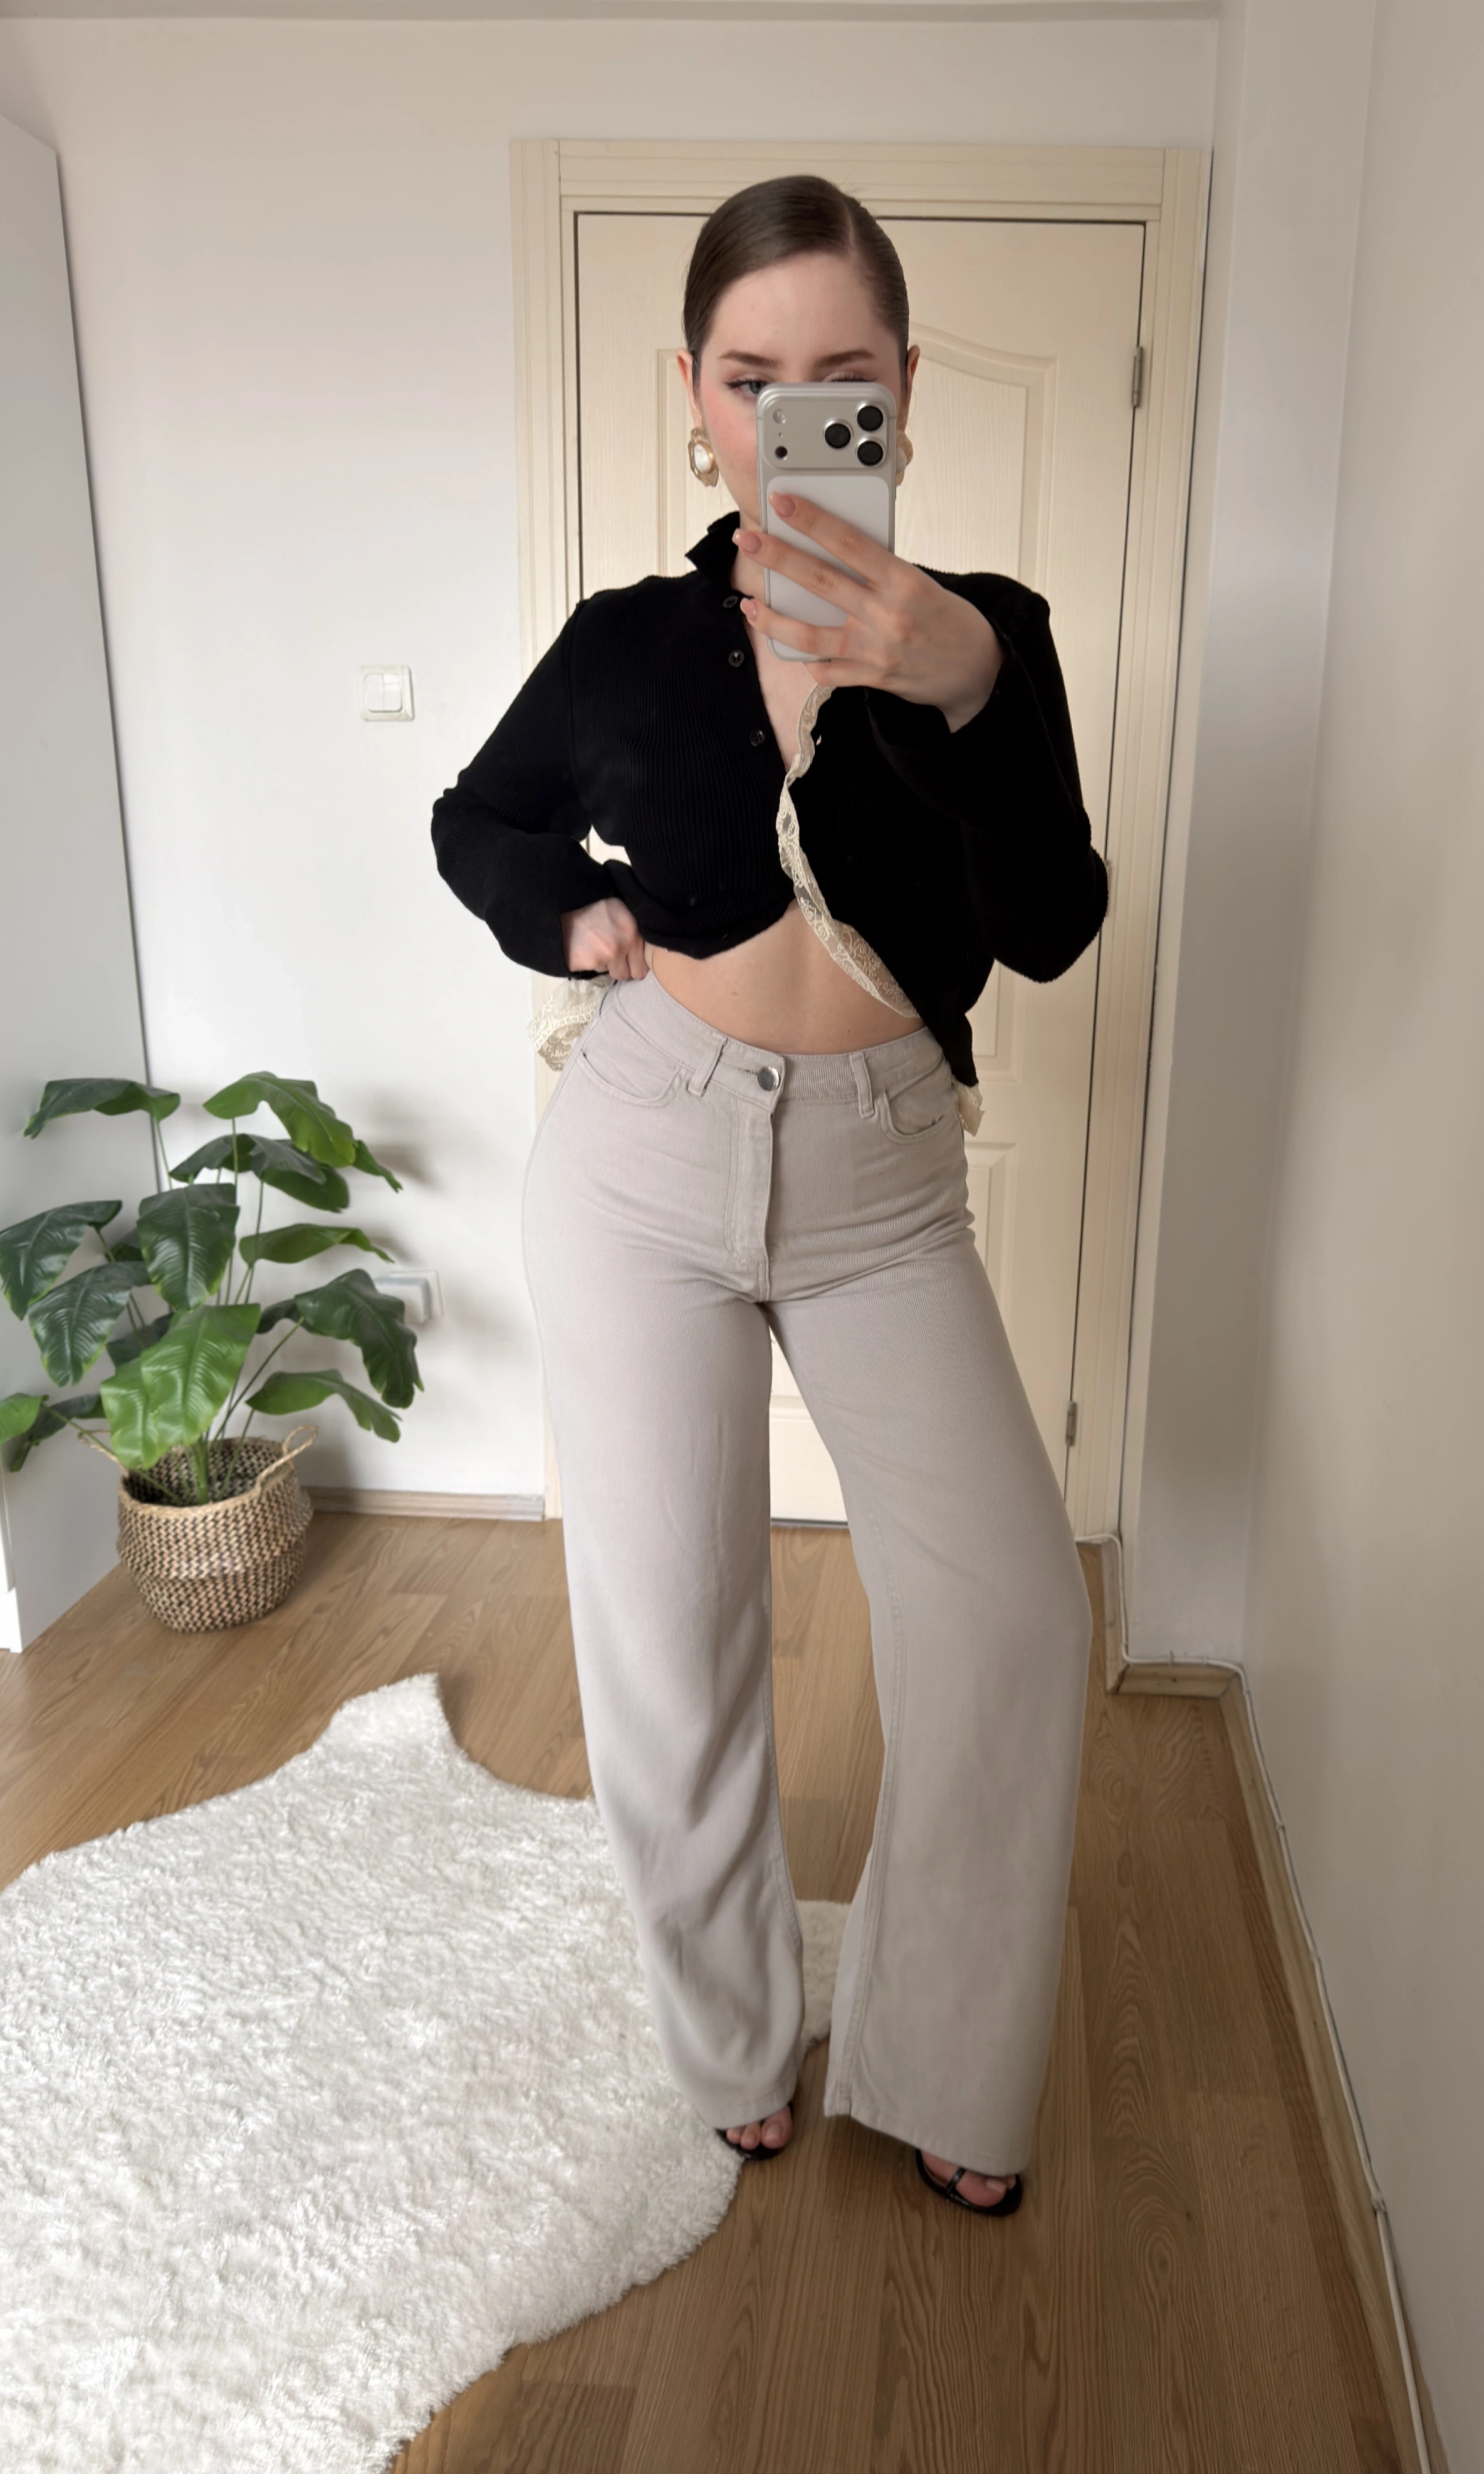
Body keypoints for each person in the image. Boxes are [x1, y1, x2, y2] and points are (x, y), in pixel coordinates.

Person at [431, 174, 1106, 2218]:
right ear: (696, 399)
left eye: (841, 376)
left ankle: (945, 2055)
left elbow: (1052, 924)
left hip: (886, 1186)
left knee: (1011, 1620)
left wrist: (964, 687)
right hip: (643, 1156)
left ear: (903, 389)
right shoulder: (627, 648)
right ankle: (729, 2037)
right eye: (751, 378)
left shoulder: (993, 637)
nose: (791, 414)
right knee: (673, 1633)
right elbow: (477, 815)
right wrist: (566, 917)